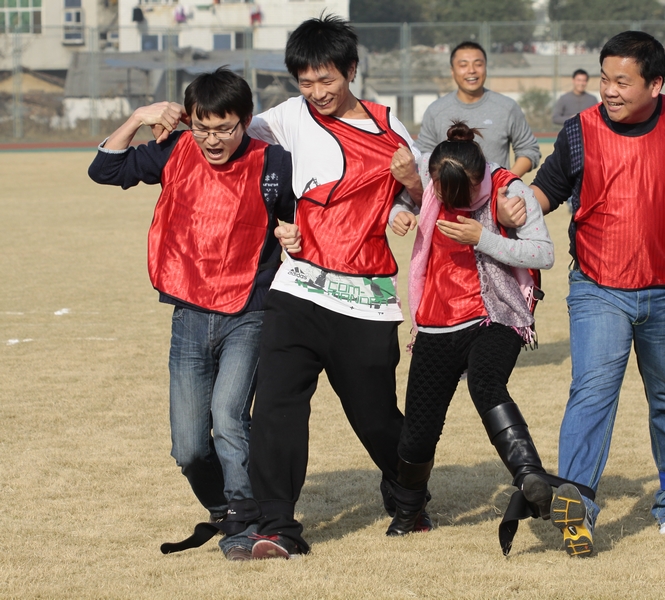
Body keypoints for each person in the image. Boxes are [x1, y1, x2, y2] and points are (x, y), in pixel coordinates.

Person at [238, 15, 433, 560]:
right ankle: (277, 527)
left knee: (375, 417)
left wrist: (409, 185)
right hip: (297, 287)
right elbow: (231, 134)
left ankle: (409, 496)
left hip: (365, 299)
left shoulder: (391, 129)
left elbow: (427, 201)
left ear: (351, 71)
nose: (317, 93)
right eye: (305, 82)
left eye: (326, 80)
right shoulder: (288, 116)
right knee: (275, 405)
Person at [87, 67, 296, 561]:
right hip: (189, 313)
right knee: (188, 448)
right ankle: (223, 507)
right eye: (203, 127)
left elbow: (304, 216)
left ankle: (246, 521)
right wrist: (139, 116)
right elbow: (104, 170)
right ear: (190, 122)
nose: (213, 139)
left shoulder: (274, 162)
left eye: (225, 128)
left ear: (246, 120)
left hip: (249, 311)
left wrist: (295, 232)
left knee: (229, 418)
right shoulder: (175, 149)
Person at [528, 31, 665, 557]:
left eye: (622, 81)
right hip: (598, 289)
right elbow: (546, 190)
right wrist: (511, 206)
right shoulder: (579, 131)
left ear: (656, 84)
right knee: (592, 394)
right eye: (604, 79)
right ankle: (578, 509)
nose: (609, 91)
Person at [387, 121, 575, 555]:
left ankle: (530, 476)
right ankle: (408, 511)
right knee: (418, 429)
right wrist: (399, 212)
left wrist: (484, 237)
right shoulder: (431, 180)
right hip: (437, 320)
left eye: (463, 195)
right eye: (442, 192)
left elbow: (543, 253)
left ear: (479, 180)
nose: (451, 201)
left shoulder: (509, 190)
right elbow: (406, 196)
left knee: (486, 382)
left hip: (497, 314)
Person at [416, 41, 541, 177]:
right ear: (452, 71)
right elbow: (423, 156)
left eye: (478, 64)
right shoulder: (435, 111)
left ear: (486, 67)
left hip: (498, 190)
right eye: (463, 65)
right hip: (449, 191)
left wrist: (505, 181)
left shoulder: (507, 107)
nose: (471, 70)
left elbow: (529, 150)